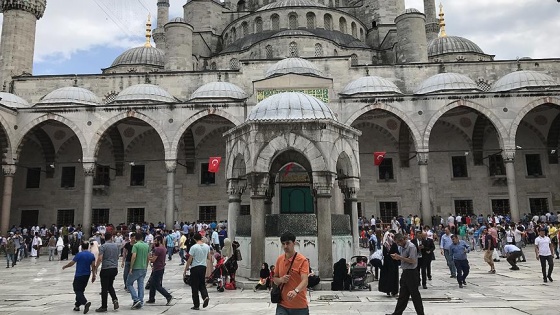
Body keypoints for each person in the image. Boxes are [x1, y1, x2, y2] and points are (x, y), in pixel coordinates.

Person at [385, 233, 425, 315]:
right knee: (402, 295)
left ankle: (420, 313)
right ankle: (397, 313)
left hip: (412, 273)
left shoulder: (411, 247)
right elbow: (403, 259)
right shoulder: (401, 247)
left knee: (415, 295)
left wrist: (399, 257)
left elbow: (412, 260)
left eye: (398, 242)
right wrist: (397, 257)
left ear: (402, 240)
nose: (398, 244)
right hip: (405, 272)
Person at [272, 232, 309, 315]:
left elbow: (305, 281)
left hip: (299, 306)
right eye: (283, 244)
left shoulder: (302, 260)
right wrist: (281, 280)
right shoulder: (279, 259)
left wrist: (295, 291)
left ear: (294, 243)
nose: (285, 246)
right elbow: (275, 279)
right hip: (282, 305)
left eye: (288, 243)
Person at [62, 241, 96, 314]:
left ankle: (85, 302)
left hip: (79, 275)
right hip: (87, 275)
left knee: (77, 290)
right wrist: (94, 275)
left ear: (82, 247)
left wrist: (65, 266)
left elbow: (72, 263)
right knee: (81, 290)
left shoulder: (79, 254)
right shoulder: (91, 255)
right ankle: (77, 306)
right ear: (88, 247)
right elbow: (93, 266)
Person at [184, 232, 211, 310]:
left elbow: (190, 259)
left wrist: (186, 269)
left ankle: (196, 305)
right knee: (202, 283)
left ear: (194, 239)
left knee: (194, 286)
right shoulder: (207, 246)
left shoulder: (194, 247)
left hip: (195, 267)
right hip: (203, 267)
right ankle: (205, 296)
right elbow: (209, 257)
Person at [95, 232, 120, 312]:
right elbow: (117, 257)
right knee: (110, 285)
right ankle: (115, 299)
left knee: (104, 288)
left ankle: (104, 306)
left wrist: (95, 267)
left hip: (106, 268)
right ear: (111, 238)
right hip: (114, 268)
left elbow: (100, 258)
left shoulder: (103, 246)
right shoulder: (116, 246)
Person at [146, 235, 173, 305]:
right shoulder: (164, 248)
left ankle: (168, 296)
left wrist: (148, 257)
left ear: (159, 241)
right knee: (152, 283)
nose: (154, 243)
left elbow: (153, 260)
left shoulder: (158, 249)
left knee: (156, 285)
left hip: (157, 268)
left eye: (155, 241)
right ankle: (151, 298)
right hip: (160, 268)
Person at [127, 232, 150, 310]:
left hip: (136, 267)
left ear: (135, 238)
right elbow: (148, 256)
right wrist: (146, 266)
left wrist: (131, 267)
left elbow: (133, 256)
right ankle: (140, 301)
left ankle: (136, 299)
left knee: (129, 283)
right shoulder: (146, 245)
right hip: (143, 267)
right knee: (140, 285)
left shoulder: (136, 245)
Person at [379, 230, 399, 296]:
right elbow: (397, 253)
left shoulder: (385, 245)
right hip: (393, 263)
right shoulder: (394, 244)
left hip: (387, 264)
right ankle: (393, 290)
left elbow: (384, 254)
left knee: (388, 277)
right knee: (393, 277)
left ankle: (388, 290)